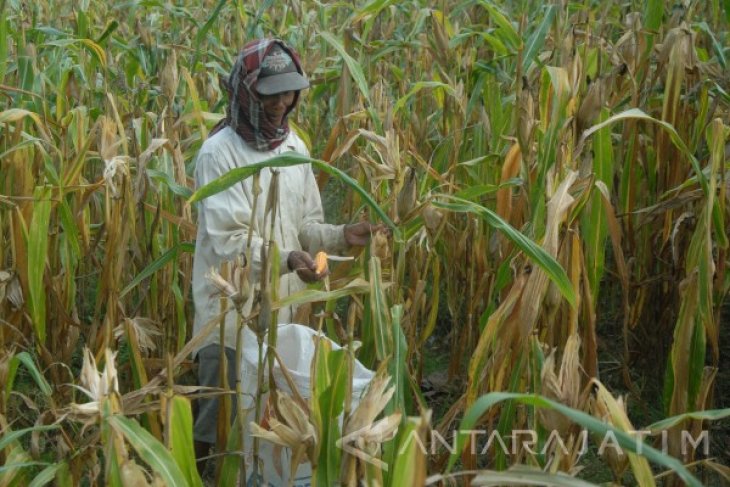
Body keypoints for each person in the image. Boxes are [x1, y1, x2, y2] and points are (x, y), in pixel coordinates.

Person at [190, 38, 386, 469]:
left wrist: (339, 236)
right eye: (270, 92)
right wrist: (286, 259)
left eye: (289, 91)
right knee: (217, 415)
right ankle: (197, 475)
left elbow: (306, 225)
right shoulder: (218, 154)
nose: (282, 102)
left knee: (268, 415)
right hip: (230, 309)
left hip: (284, 308)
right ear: (245, 90)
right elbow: (227, 241)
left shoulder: (295, 147)